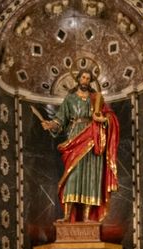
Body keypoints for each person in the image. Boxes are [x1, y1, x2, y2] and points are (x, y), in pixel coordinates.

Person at [41, 69, 120, 223]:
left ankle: (87, 218)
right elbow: (60, 120)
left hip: (93, 139)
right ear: (77, 79)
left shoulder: (96, 99)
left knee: (91, 177)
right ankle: (67, 216)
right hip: (75, 139)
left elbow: (110, 116)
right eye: (83, 77)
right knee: (72, 177)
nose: (85, 80)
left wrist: (103, 119)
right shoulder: (70, 99)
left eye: (88, 78)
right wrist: (51, 125)